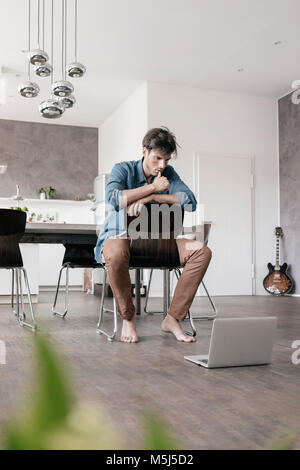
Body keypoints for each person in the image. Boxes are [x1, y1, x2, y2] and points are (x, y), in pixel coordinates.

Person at [95, 127, 212, 343]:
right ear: (144, 152)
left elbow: (190, 202)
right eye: (158, 158)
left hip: (159, 241)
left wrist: (154, 198)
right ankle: (128, 319)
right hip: (122, 238)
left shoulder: (169, 173)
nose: (162, 166)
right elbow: (113, 200)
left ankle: (173, 318)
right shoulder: (123, 169)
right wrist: (152, 188)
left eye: (166, 160)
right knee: (115, 252)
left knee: (202, 252)